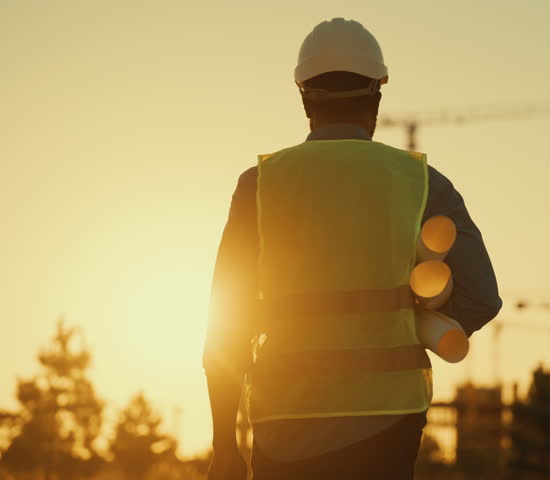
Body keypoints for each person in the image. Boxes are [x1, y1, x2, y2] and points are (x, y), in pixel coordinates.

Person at [204, 18, 501, 480]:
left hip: (285, 426)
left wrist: (225, 445)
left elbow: (226, 331)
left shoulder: (258, 187)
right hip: (388, 424)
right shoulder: (423, 184)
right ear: (376, 95)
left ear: (304, 97)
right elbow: (482, 297)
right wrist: (422, 321)